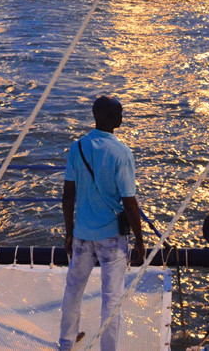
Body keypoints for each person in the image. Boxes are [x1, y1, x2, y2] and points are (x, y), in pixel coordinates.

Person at [59, 95, 144, 351]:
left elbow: (68, 194)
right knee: (111, 300)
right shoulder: (122, 152)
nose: (122, 116)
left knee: (73, 290)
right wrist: (140, 242)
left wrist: (69, 232)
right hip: (112, 239)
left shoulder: (78, 147)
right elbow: (130, 203)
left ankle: (66, 342)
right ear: (107, 117)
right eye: (119, 112)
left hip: (83, 235)